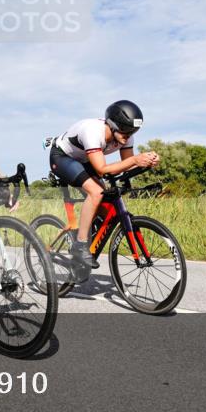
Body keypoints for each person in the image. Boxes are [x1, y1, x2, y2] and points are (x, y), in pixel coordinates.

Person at [48, 100, 159, 282]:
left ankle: (85, 244)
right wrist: (135, 160)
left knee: (105, 204)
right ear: (113, 124)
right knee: (96, 192)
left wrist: (148, 162)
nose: (128, 135)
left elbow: (127, 167)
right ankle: (80, 245)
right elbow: (101, 169)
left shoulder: (126, 136)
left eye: (132, 131)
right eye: (124, 129)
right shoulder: (93, 132)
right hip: (62, 157)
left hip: (84, 160)